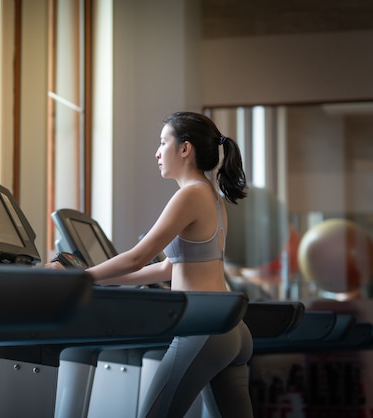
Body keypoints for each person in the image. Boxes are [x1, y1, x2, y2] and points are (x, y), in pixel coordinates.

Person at [46, 111, 253, 417]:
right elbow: (169, 268)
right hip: (231, 328)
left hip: (203, 328)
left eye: (163, 142)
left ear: (185, 149)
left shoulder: (189, 196)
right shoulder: (212, 196)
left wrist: (81, 278)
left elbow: (138, 256)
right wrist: (99, 280)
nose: (157, 152)